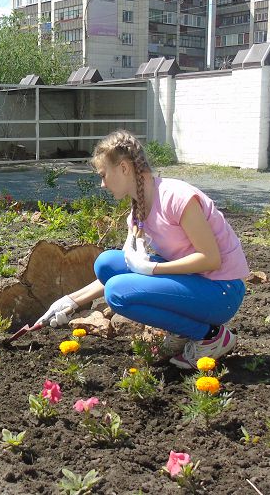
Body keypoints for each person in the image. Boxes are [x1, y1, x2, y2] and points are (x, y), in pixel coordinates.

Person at [37, 130, 249, 369]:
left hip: (222, 291)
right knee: (106, 264)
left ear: (124, 168)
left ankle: (210, 336)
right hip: (195, 283)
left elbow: (211, 259)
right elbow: (124, 270)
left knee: (117, 293)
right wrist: (70, 301)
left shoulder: (176, 197)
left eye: (104, 175)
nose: (102, 184)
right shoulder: (137, 212)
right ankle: (182, 332)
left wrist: (153, 269)